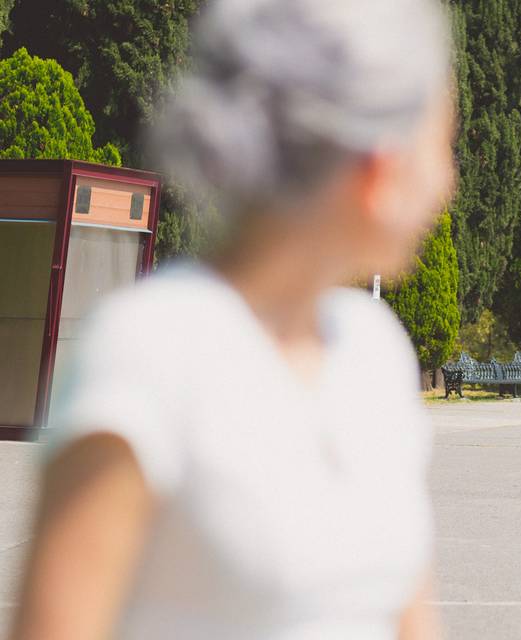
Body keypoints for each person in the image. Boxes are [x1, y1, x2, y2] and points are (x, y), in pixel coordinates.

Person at [9, 1, 454, 638]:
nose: (449, 186)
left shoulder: (374, 350)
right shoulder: (149, 353)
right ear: (377, 168)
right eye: (442, 147)